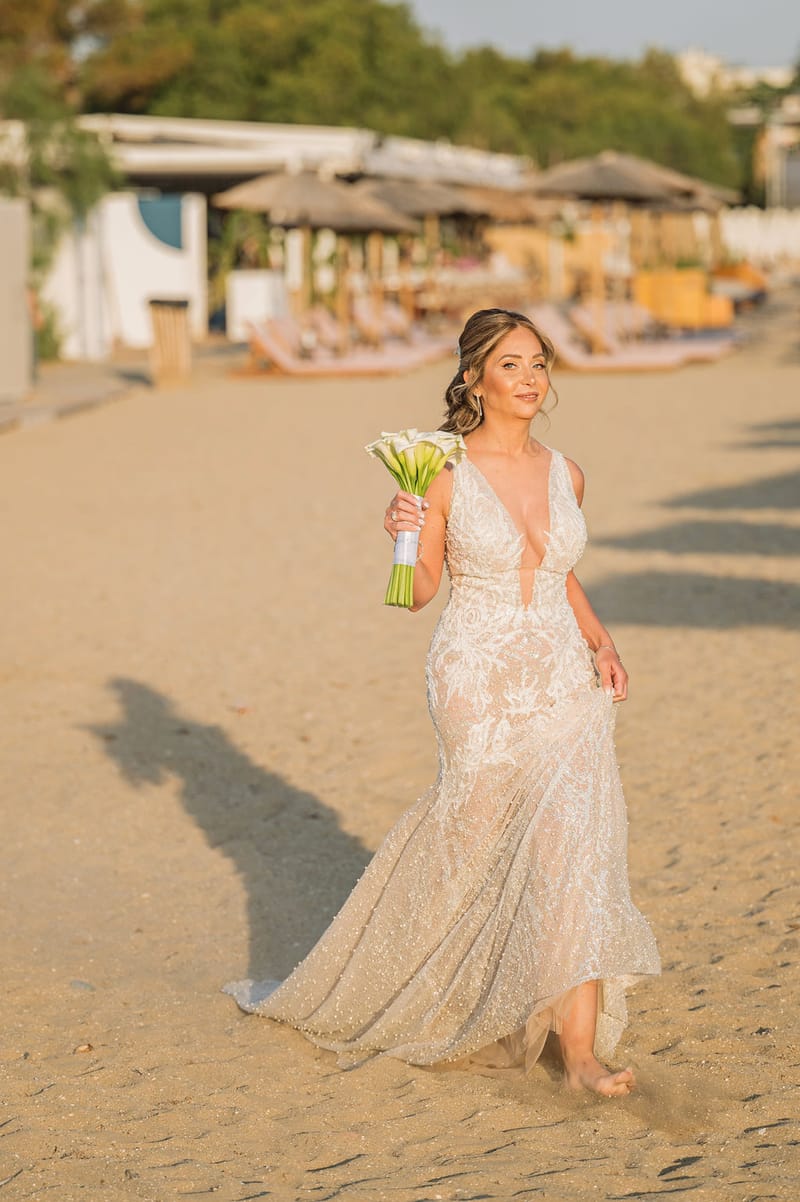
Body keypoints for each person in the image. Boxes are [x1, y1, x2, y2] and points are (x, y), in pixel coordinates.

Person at [225, 308, 660, 1097]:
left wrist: (603, 643)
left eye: (538, 363)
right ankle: (450, 996)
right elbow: (418, 593)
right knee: (474, 844)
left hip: (563, 674)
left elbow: (557, 573)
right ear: (473, 379)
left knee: (573, 853)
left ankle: (580, 1057)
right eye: (511, 365)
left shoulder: (568, 473)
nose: (530, 379)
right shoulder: (441, 473)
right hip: (477, 676)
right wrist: (401, 532)